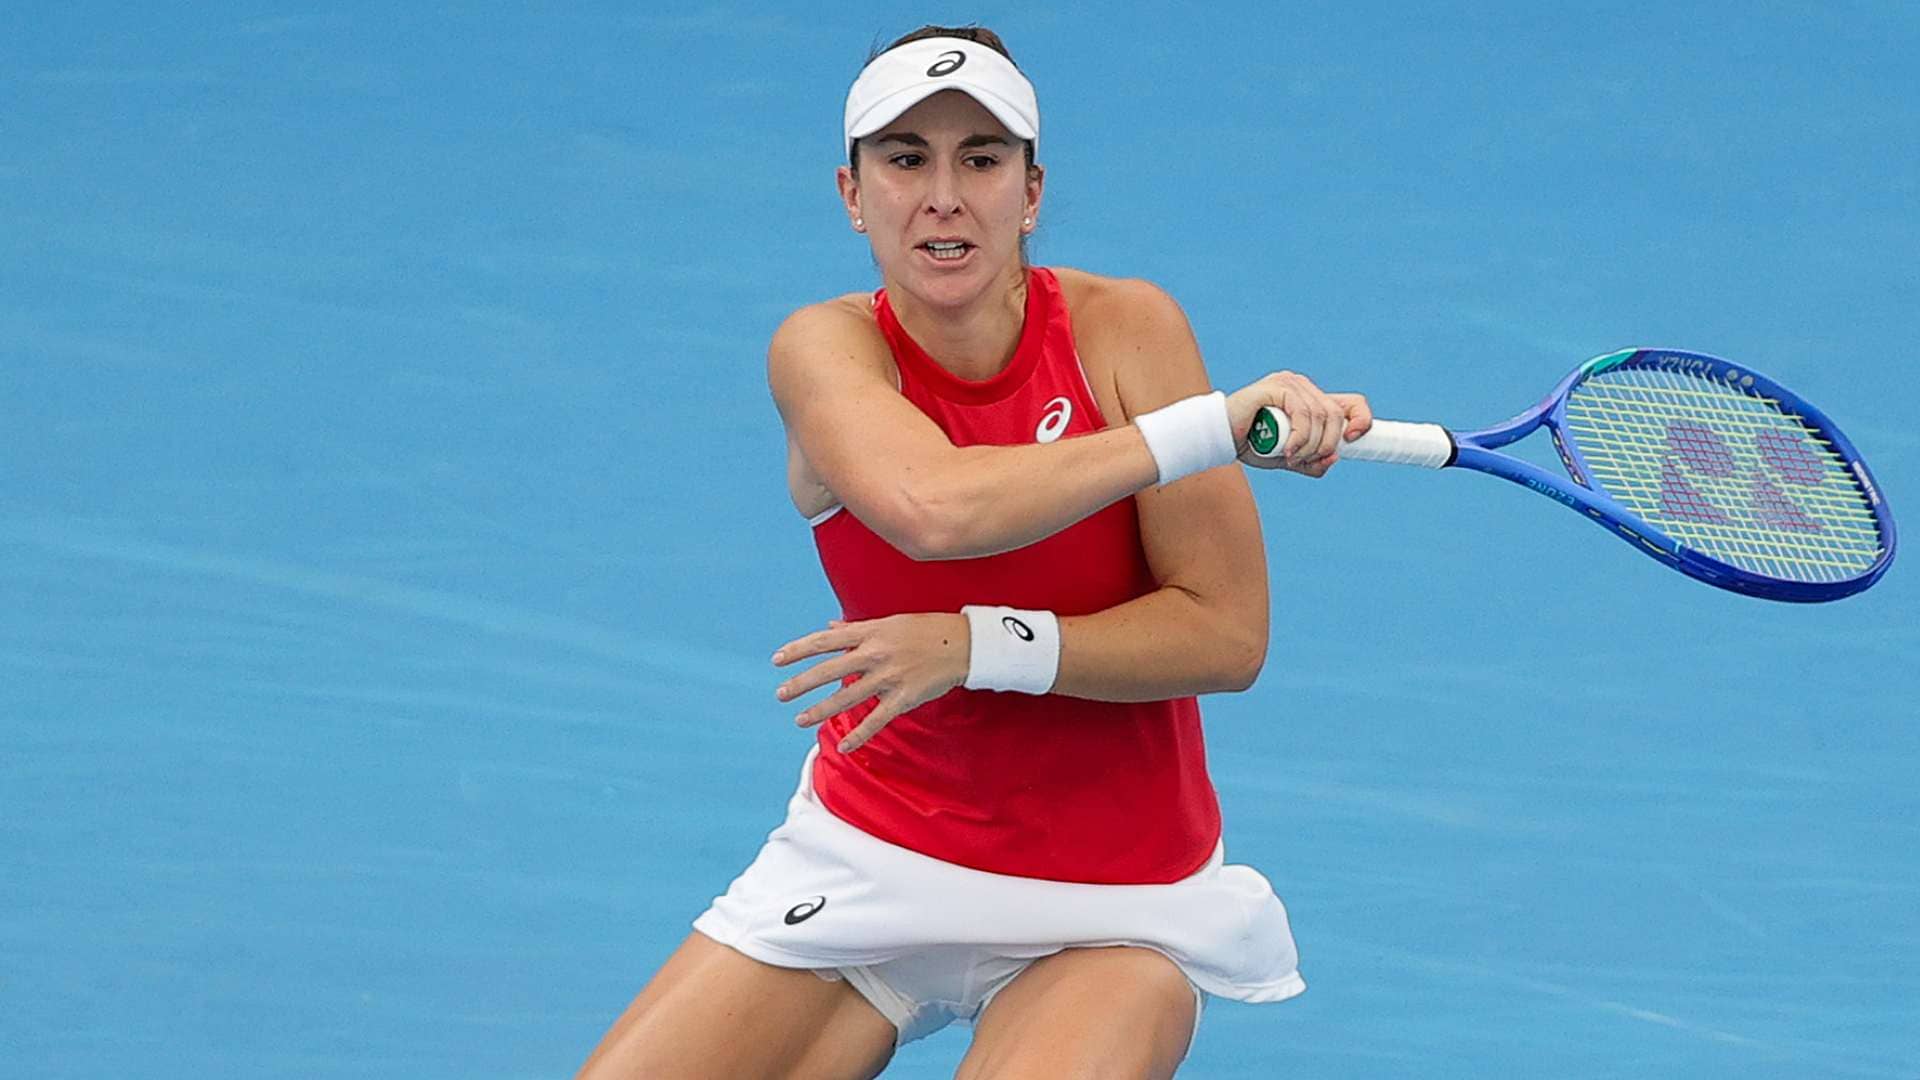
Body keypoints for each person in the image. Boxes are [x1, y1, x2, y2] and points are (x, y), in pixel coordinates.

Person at [578, 25, 1370, 1080]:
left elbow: (1225, 635)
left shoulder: (1128, 329)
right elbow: (933, 508)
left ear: (1031, 192)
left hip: (1113, 902)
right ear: (852, 194)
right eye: (906, 160)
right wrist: (1205, 430)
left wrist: (975, 647)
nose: (943, 197)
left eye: (982, 160)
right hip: (871, 856)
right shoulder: (823, 348)